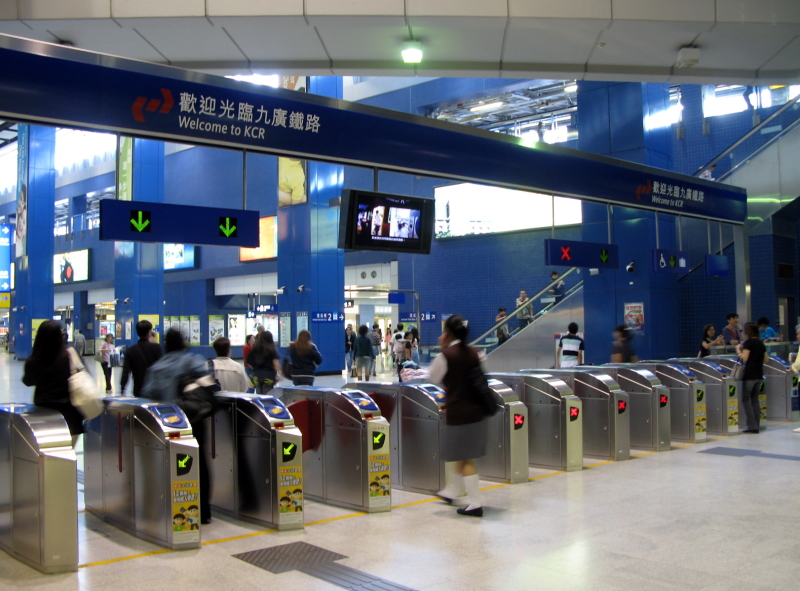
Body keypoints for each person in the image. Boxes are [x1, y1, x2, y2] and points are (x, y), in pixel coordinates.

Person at [142, 328, 214, 524]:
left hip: (169, 424)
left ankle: (174, 508)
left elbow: (147, 395)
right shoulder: (192, 360)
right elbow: (209, 383)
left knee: (173, 463)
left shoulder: (156, 368)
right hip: (194, 421)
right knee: (199, 463)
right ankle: (203, 511)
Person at [429, 315, 487, 517]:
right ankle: (451, 491)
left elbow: (434, 377)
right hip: (477, 411)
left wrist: (443, 348)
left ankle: (475, 503)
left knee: (465, 457)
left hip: (458, 413)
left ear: (447, 333)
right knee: (461, 453)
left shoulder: (445, 356)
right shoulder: (477, 353)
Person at [22, 320, 83, 446]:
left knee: (49, 451)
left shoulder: (34, 361)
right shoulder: (69, 356)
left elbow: (28, 381)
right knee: (68, 451)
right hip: (70, 413)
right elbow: (81, 374)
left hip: (44, 413)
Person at [120, 320, 163, 396]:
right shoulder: (156, 348)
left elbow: (125, 372)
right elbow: (162, 368)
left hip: (138, 389)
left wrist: (122, 389)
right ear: (149, 332)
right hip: (154, 389)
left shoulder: (131, 350)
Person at [740, 322, 768, 434]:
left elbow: (745, 358)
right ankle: (757, 425)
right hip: (759, 374)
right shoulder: (761, 343)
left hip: (750, 375)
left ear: (748, 331)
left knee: (746, 399)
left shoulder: (749, 343)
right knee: (755, 401)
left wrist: (739, 351)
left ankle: (752, 426)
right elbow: (766, 360)